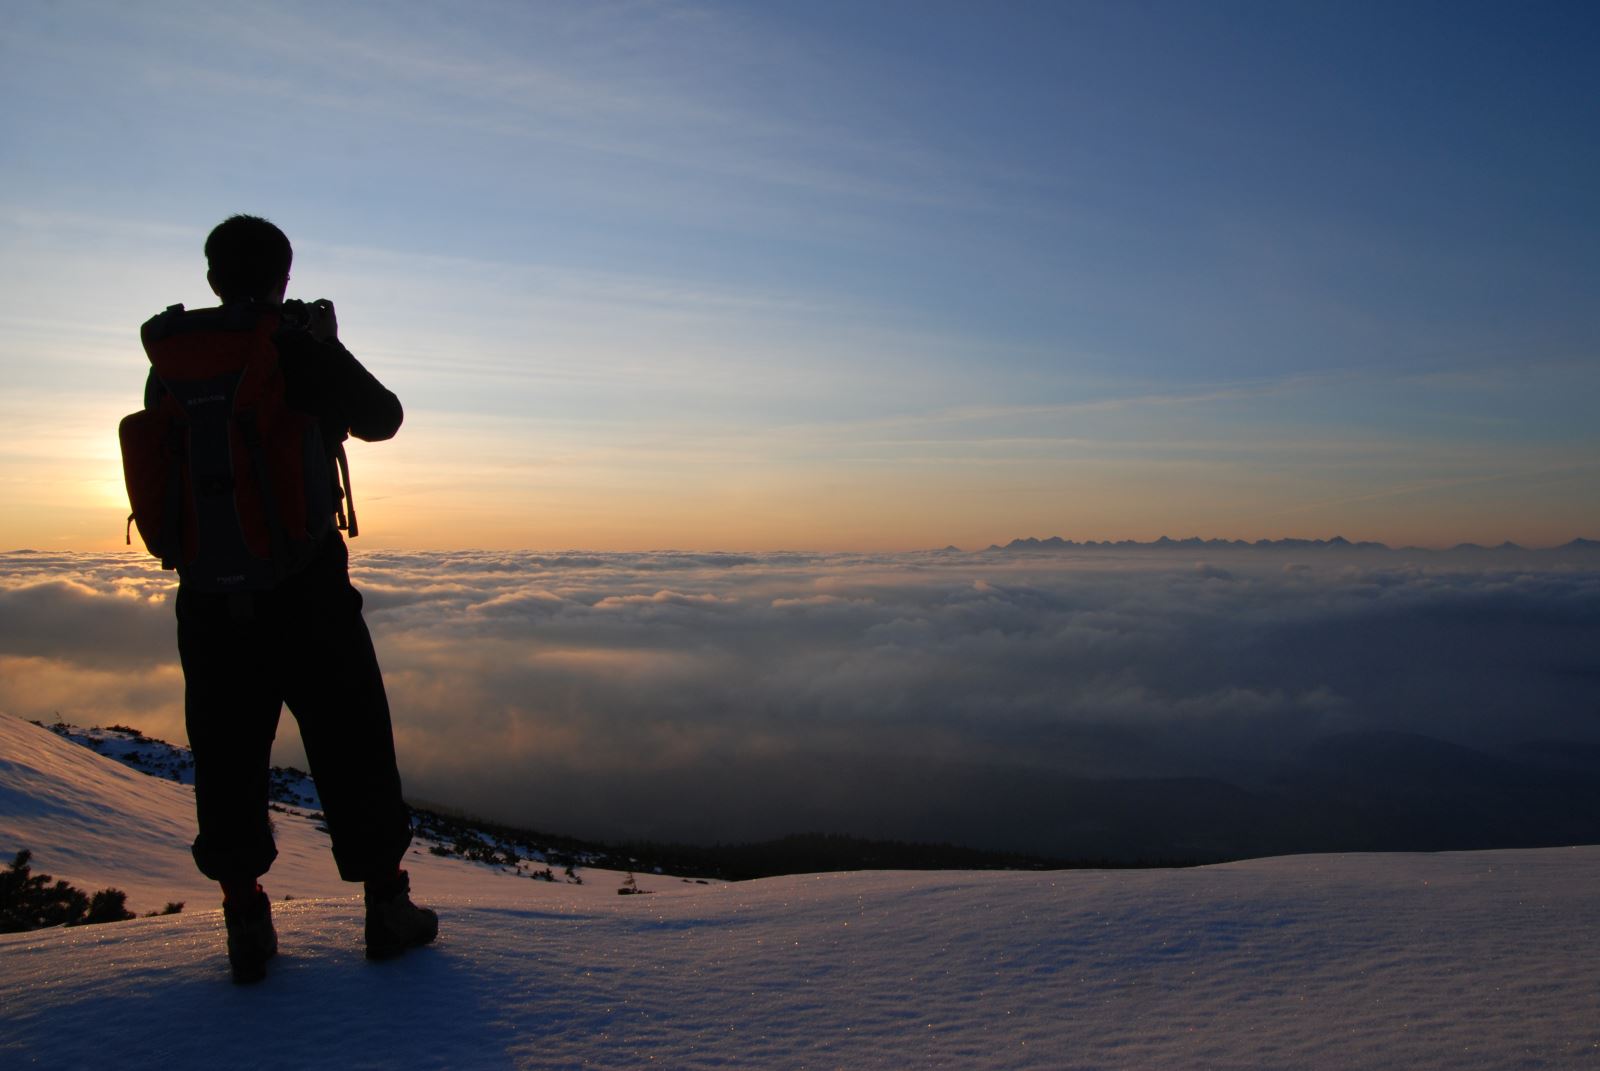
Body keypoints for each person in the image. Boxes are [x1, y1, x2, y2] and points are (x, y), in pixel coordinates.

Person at [152, 214, 436, 983]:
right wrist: (321, 341)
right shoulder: (294, 349)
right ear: (282, 276)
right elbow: (383, 417)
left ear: (213, 278)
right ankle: (386, 908)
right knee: (353, 745)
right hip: (307, 591)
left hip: (209, 598)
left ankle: (246, 920)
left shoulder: (174, 359)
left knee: (226, 754)